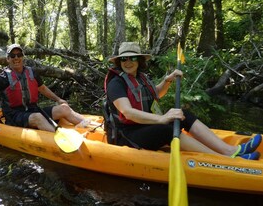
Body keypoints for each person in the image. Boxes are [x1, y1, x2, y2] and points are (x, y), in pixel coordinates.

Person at [105, 42, 262, 160]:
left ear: (139, 60)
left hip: (144, 126)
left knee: (183, 115)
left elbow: (155, 94)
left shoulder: (139, 77)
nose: (128, 62)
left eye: (132, 58)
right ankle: (222, 159)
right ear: (119, 62)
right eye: (124, 59)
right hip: (127, 136)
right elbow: (127, 112)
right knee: (166, 130)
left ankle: (229, 150)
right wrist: (162, 118)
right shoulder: (116, 83)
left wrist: (167, 81)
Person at [0, 43, 87, 134]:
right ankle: (60, 138)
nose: (16, 58)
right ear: (8, 59)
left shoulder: (32, 72)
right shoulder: (3, 78)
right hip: (14, 115)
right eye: (12, 56)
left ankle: (91, 127)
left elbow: (42, 88)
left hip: (32, 110)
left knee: (64, 108)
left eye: (19, 55)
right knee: (38, 117)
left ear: (23, 57)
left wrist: (58, 100)